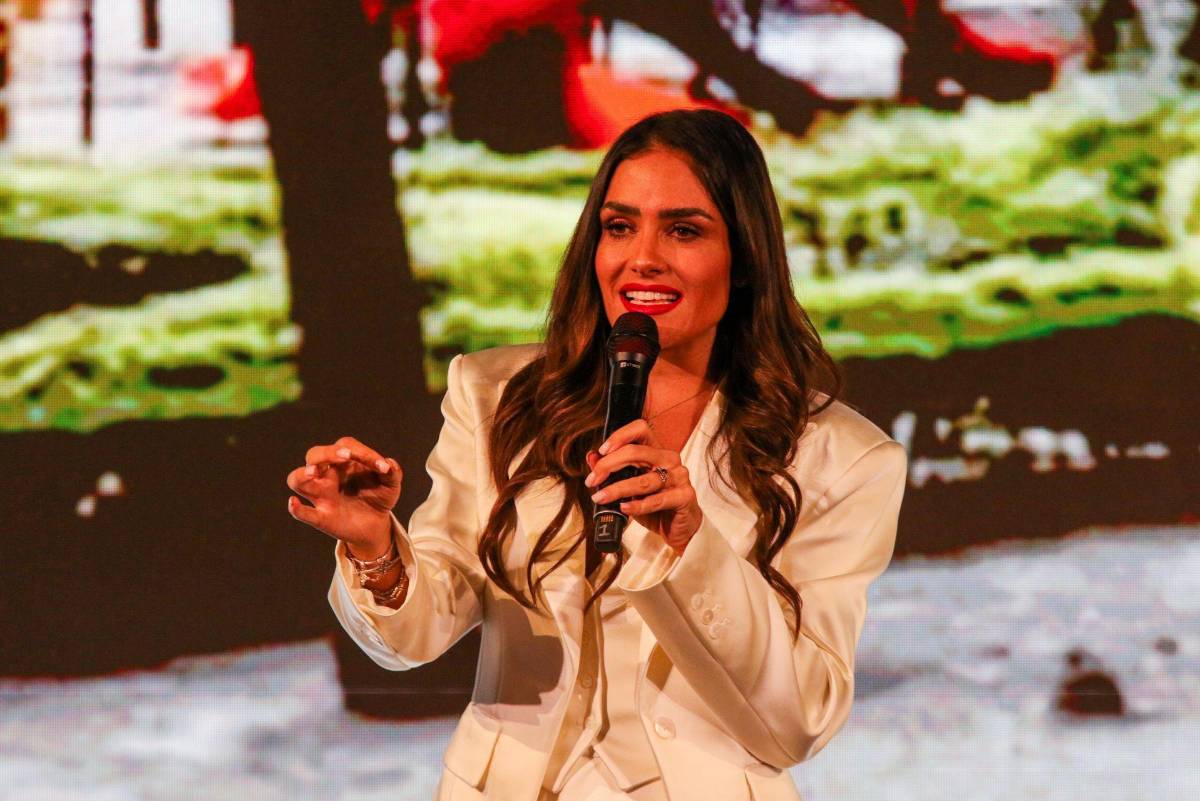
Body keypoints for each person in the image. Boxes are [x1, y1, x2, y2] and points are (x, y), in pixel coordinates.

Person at [285, 109, 907, 801]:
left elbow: (799, 721)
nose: (643, 258)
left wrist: (692, 549)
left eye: (683, 230)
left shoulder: (843, 458)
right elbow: (418, 634)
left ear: (745, 258)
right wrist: (375, 547)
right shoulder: (495, 396)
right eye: (619, 227)